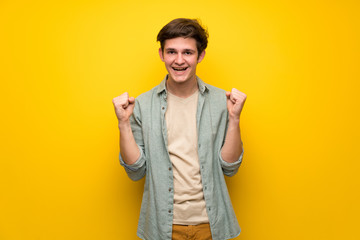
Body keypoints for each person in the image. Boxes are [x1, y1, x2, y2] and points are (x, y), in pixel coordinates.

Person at [112, 18, 247, 240]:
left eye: (187, 52)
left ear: (200, 56)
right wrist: (123, 123)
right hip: (162, 225)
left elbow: (230, 167)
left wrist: (234, 119)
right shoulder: (143, 105)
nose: (179, 60)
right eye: (171, 52)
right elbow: (136, 171)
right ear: (161, 54)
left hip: (211, 224)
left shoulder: (221, 101)